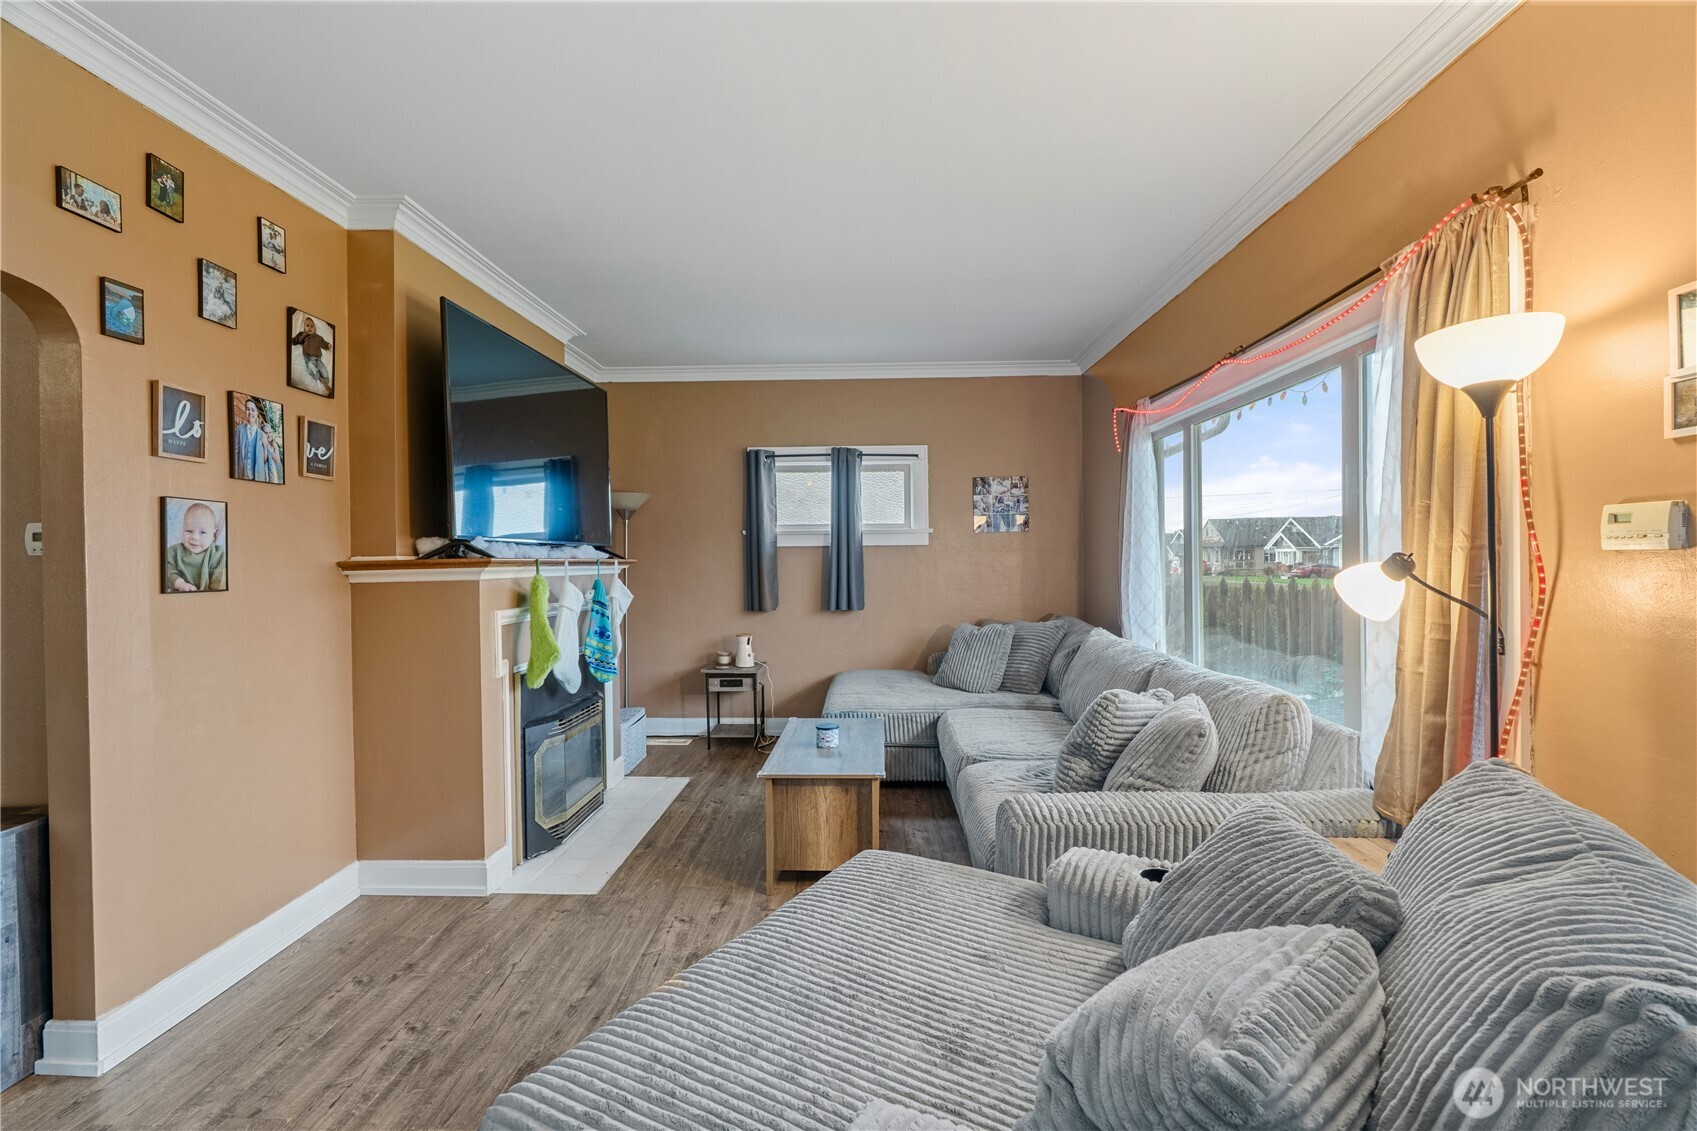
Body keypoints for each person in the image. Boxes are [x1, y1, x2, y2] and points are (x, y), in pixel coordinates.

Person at [164, 502, 226, 593]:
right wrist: (180, 584)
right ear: (182, 529)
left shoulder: (217, 554)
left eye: (202, 532)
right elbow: (167, 571)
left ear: (214, 533)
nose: (194, 537)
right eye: (189, 531)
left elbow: (219, 580)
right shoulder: (173, 551)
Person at [232, 398, 280, 482]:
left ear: (257, 413)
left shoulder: (262, 434)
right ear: (245, 411)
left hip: (258, 477)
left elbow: (266, 460)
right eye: (248, 409)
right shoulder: (239, 430)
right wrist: (235, 476)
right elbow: (236, 454)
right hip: (242, 477)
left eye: (253, 410)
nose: (250, 412)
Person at [289, 315, 333, 394]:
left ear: (315, 329)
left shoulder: (318, 337)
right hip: (309, 358)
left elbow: (324, 343)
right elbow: (296, 339)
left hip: (318, 359)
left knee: (324, 370)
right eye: (307, 326)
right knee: (311, 366)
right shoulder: (303, 335)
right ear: (304, 328)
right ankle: (319, 378)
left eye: (312, 326)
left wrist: (327, 345)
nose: (310, 327)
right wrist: (292, 340)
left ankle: (326, 380)